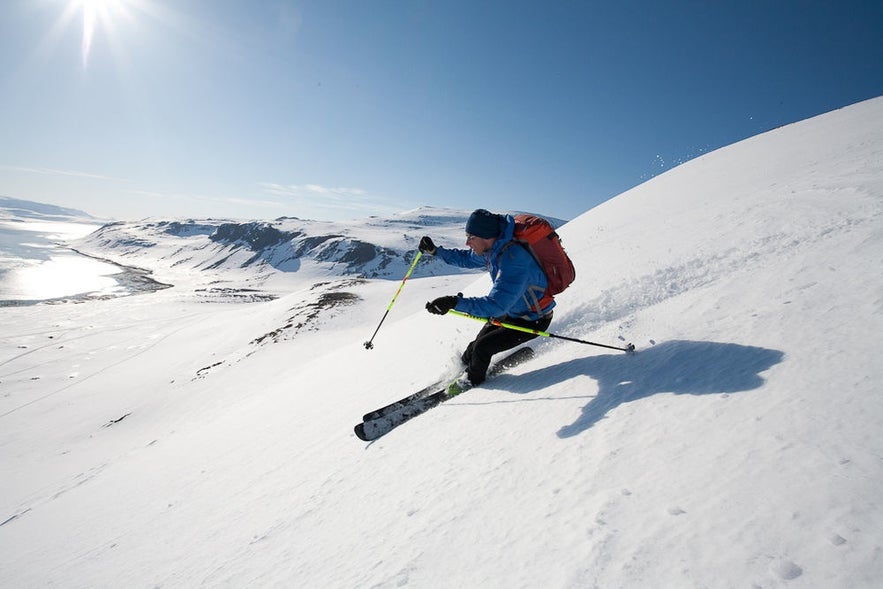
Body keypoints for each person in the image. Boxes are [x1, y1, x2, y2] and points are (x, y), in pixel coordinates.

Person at [419, 208, 554, 393]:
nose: (467, 242)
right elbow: (466, 258)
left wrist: (454, 303)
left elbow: (495, 306)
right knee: (472, 350)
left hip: (533, 319)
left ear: (485, 236)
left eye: (471, 237)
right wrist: (435, 252)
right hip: (512, 311)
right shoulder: (494, 248)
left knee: (482, 348)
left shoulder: (513, 260)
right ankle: (461, 371)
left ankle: (470, 384)